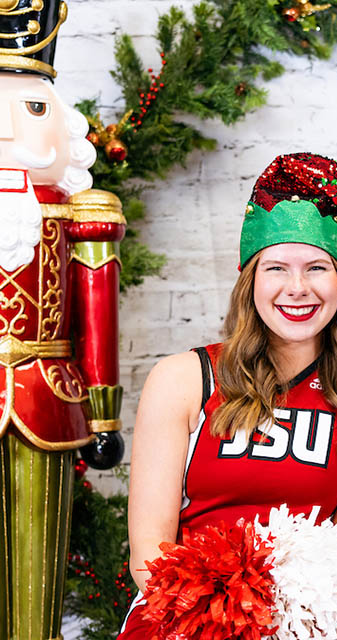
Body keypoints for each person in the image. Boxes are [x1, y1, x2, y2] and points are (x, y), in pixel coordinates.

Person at [119, 153, 337, 638]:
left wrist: (290, 623)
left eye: (317, 268)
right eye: (276, 269)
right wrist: (218, 619)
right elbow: (149, 552)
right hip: (187, 616)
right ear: (249, 280)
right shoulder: (182, 379)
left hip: (313, 619)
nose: (297, 288)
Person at [0, 3, 125, 638]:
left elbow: (99, 316)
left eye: (30, 109)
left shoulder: (84, 214)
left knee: (37, 554)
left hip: (44, 395)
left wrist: (104, 414)